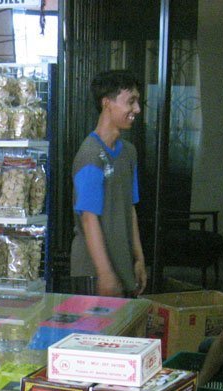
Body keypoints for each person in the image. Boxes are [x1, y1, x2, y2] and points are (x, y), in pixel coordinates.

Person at [70, 69, 146, 297]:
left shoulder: (129, 153)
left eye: (137, 102)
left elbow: (130, 209)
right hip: (93, 272)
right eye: (130, 102)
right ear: (107, 103)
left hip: (122, 265)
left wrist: (139, 258)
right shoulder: (90, 155)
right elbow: (88, 217)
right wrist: (105, 274)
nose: (137, 109)